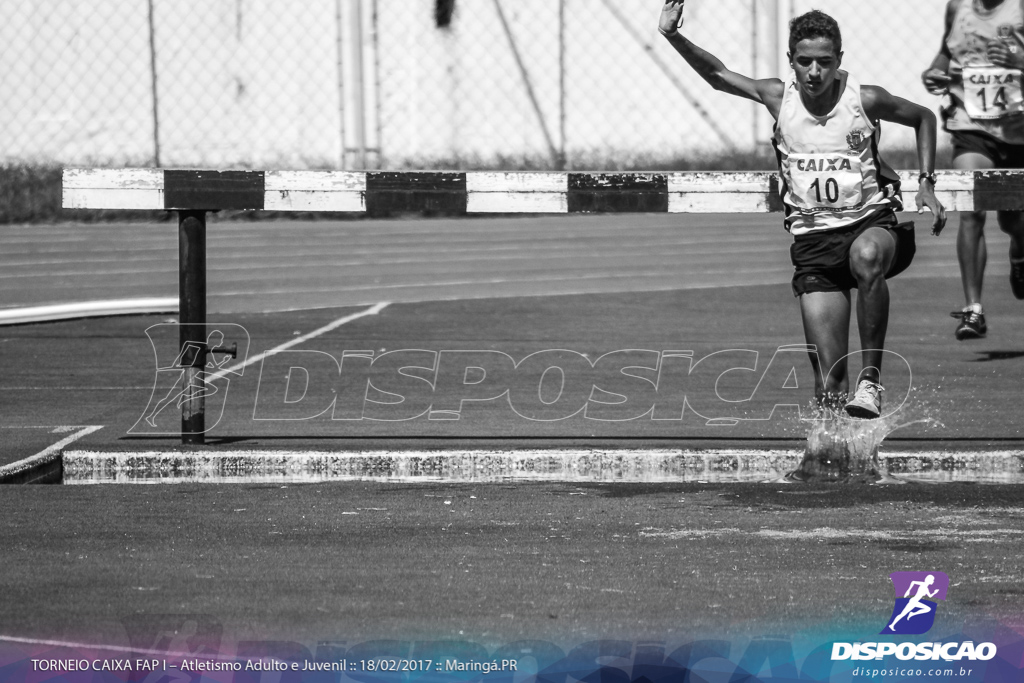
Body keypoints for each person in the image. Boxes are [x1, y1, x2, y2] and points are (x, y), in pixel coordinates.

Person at [658, 2, 946, 418]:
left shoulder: (864, 99)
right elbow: (719, 76)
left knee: (866, 258)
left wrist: (926, 182)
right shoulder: (779, 97)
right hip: (814, 242)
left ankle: (871, 381)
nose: (814, 72)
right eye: (805, 62)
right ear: (790, 62)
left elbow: (923, 118)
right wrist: (672, 35)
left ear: (839, 61)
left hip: (870, 223)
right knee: (829, 380)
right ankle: (834, 454)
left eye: (825, 63)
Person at [923, 0, 1024, 340]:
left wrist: (1017, 61)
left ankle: (1020, 252)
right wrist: (935, 72)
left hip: (1018, 133)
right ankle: (973, 310)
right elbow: (944, 52)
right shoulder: (958, 7)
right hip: (972, 127)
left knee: (1015, 222)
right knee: (972, 208)